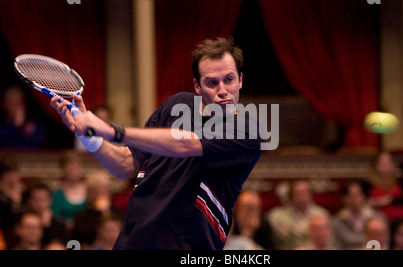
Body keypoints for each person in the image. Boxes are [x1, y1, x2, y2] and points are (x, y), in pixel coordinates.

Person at [51, 37, 264, 250]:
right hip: (133, 243)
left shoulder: (248, 129)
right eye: (211, 82)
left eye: (229, 79)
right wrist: (88, 134)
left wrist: (111, 131)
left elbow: (185, 145)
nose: (222, 90)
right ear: (197, 86)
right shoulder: (176, 104)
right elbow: (126, 163)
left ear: (241, 80)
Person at [266, 179, 330, 250]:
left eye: (304, 192)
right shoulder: (276, 216)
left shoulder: (322, 214)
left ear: (311, 194)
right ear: (291, 195)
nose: (301, 196)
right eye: (297, 193)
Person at [72, 169, 121, 249]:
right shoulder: (81, 217)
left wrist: (106, 211)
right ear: (89, 193)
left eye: (103, 190)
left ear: (109, 192)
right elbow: (74, 242)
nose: (100, 194)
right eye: (96, 191)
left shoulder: (119, 213)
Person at [332, 180, 385, 250]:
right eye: (351, 196)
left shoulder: (377, 218)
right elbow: (335, 247)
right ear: (344, 199)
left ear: (364, 197)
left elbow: (385, 244)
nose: (355, 200)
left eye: (357, 196)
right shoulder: (337, 222)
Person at [366, 151, 403, 222]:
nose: (386, 166)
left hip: (402, 222)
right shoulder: (368, 183)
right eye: (383, 163)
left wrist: (390, 200)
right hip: (379, 222)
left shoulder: (400, 182)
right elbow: (363, 202)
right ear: (375, 165)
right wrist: (378, 202)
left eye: (389, 163)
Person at [22, 182, 70, 247]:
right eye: (35, 200)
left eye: (42, 200)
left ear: (50, 201)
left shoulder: (59, 225)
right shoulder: (22, 222)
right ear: (29, 201)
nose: (39, 204)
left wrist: (47, 226)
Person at [51, 150, 87, 227]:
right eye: (70, 169)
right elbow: (55, 216)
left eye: (76, 168)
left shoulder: (89, 190)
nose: (73, 172)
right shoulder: (56, 192)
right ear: (63, 169)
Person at [0, 160, 25, 249]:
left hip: (21, 232)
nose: (14, 176)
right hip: (4, 233)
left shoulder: (22, 193)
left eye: (15, 173)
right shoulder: (1, 196)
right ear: (3, 175)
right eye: (10, 173)